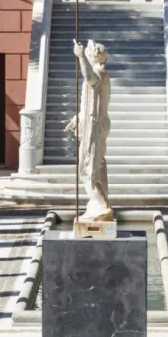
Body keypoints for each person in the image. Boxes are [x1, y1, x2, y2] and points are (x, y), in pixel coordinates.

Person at [65, 39, 113, 222]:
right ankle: (97, 204)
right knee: (97, 165)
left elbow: (90, 79)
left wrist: (80, 57)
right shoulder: (103, 73)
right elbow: (91, 101)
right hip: (96, 121)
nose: (85, 53)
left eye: (87, 53)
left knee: (87, 167)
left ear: (93, 56)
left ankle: (101, 206)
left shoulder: (98, 73)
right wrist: (77, 118)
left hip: (93, 125)